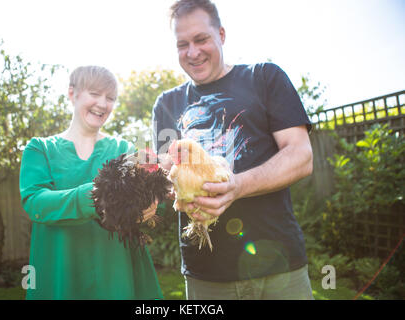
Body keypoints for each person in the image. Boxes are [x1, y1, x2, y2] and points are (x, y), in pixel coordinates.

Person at [152, 0, 314, 299]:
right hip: (207, 272)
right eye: (182, 44)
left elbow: (301, 156)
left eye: (201, 39)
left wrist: (236, 185)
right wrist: (169, 187)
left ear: (222, 35)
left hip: (278, 264)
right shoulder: (167, 104)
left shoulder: (264, 77)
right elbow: (165, 173)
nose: (192, 52)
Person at [19, 66, 162, 299]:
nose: (103, 104)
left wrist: (150, 204)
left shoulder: (123, 150)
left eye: (110, 98)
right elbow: (35, 202)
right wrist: (95, 196)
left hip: (116, 270)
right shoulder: (40, 149)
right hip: (61, 270)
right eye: (95, 94)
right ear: (72, 94)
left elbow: (143, 201)